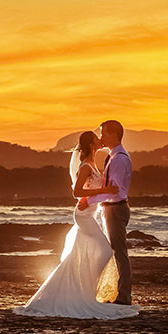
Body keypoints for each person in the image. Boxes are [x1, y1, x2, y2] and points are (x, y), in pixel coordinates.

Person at [13, 128, 140, 319]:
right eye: (97, 138)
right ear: (91, 144)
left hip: (91, 213)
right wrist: (101, 191)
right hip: (84, 215)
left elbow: (93, 189)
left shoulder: (93, 163)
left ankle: (83, 289)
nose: (100, 139)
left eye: (102, 135)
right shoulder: (86, 166)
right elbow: (77, 193)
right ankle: (83, 288)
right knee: (105, 251)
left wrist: (100, 193)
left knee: (83, 252)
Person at [78, 119, 133, 305]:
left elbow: (114, 191)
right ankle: (112, 292)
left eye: (103, 133)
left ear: (113, 134)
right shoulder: (113, 157)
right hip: (110, 209)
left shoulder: (119, 159)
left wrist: (89, 201)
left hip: (115, 209)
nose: (101, 137)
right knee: (113, 251)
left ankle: (124, 297)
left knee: (119, 253)